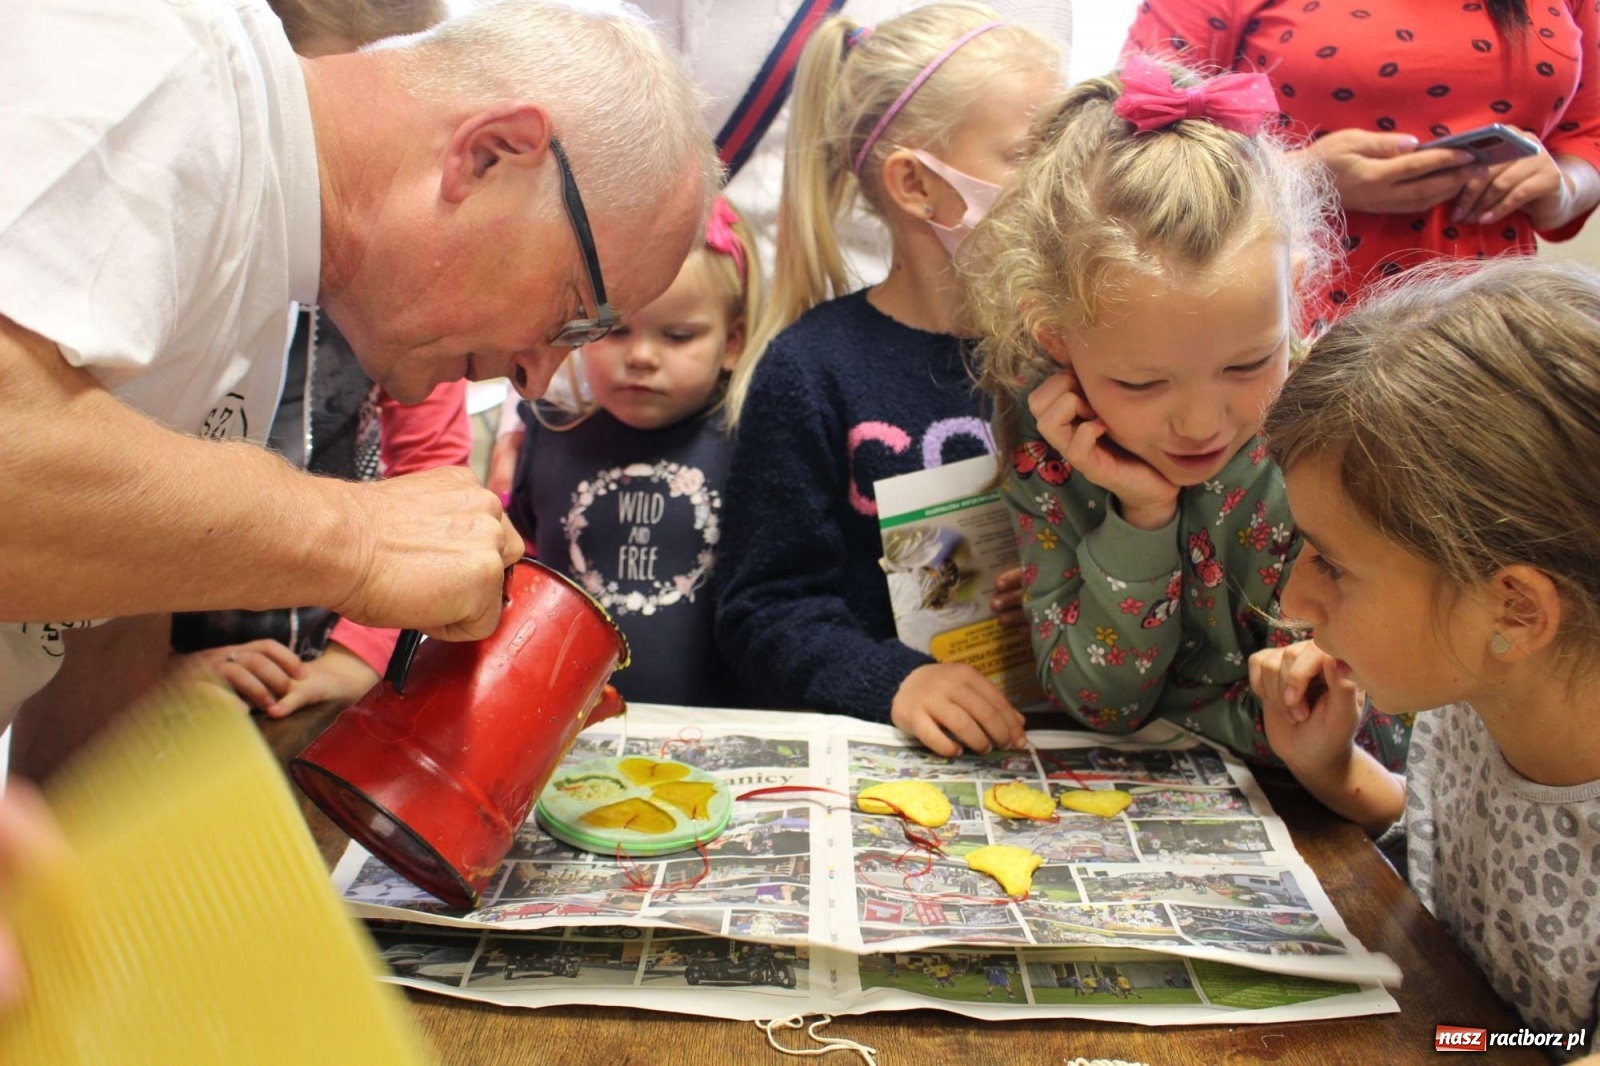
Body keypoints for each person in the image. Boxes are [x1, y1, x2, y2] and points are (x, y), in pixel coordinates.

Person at [0, 0, 718, 735]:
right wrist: (358, 541)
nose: (536, 379)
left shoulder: (264, 271)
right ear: (490, 155)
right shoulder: (160, 62)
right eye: (576, 314)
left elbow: (101, 594)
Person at [961, 55, 1410, 769]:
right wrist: (1141, 518)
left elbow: (1374, 722)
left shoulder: (1344, 429)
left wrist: (1195, 712)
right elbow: (1101, 705)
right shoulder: (1052, 445)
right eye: (1142, 383)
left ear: (1293, 296)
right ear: (1055, 338)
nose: (1201, 424)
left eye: (1248, 364)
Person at [1249, 258, 1600, 1059]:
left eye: (1334, 565)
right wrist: (1339, 774)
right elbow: (1483, 861)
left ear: (1516, 610)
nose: (1295, 598)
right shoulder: (1486, 691)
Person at [714, 3, 1062, 756]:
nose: (1062, 180)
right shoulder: (811, 370)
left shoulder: (1071, 352)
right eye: (1029, 153)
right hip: (896, 755)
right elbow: (764, 610)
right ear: (916, 184)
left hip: (1067, 736)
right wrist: (893, 681)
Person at [166, 0, 472, 721]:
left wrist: (357, 655)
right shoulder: (204, 246)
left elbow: (432, 471)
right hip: (168, 662)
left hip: (324, 657)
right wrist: (156, 670)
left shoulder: (408, 307)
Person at [1123, 0, 1600, 327]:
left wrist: (1563, 190)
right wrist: (1302, 177)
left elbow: (1590, 133)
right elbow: (1134, 132)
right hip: (1281, 319)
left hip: (1488, 321)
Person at [506, 197, 762, 707]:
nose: (641, 356)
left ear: (732, 341)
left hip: (717, 727)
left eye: (678, 336)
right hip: (568, 725)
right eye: (616, 330)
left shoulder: (754, 446)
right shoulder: (550, 433)